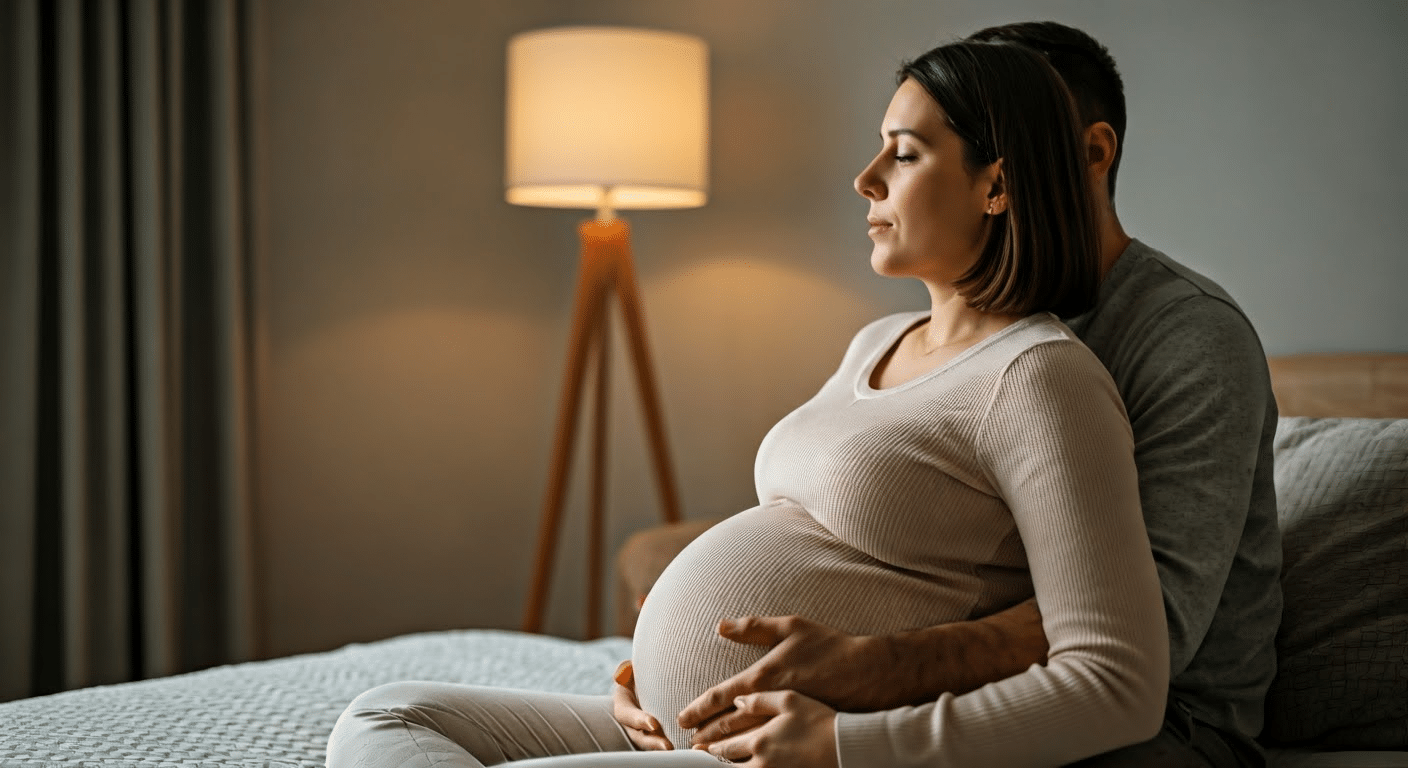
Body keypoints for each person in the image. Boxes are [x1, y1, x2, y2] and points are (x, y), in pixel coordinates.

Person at [326, 38, 1170, 768]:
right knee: (388, 715)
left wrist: (844, 749)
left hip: (797, 752)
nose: (865, 178)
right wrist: (649, 668)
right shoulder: (876, 342)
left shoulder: (1041, 379)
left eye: (905, 155)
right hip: (682, 727)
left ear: (998, 184)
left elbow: (1117, 683)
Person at [612, 20, 1282, 768]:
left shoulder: (1179, 339)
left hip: (1168, 734)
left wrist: (880, 665)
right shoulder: (907, 338)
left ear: (1082, 154)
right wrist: (674, 660)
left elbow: (1142, 626)